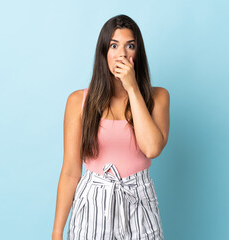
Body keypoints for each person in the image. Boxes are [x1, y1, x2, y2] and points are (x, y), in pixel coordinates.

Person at [52, 14, 170, 240]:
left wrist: (132, 88)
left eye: (130, 46)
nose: (122, 54)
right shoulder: (79, 102)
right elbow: (70, 171)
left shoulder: (158, 97)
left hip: (139, 202)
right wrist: (57, 232)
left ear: (138, 53)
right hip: (93, 203)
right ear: (104, 53)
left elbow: (153, 149)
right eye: (114, 46)